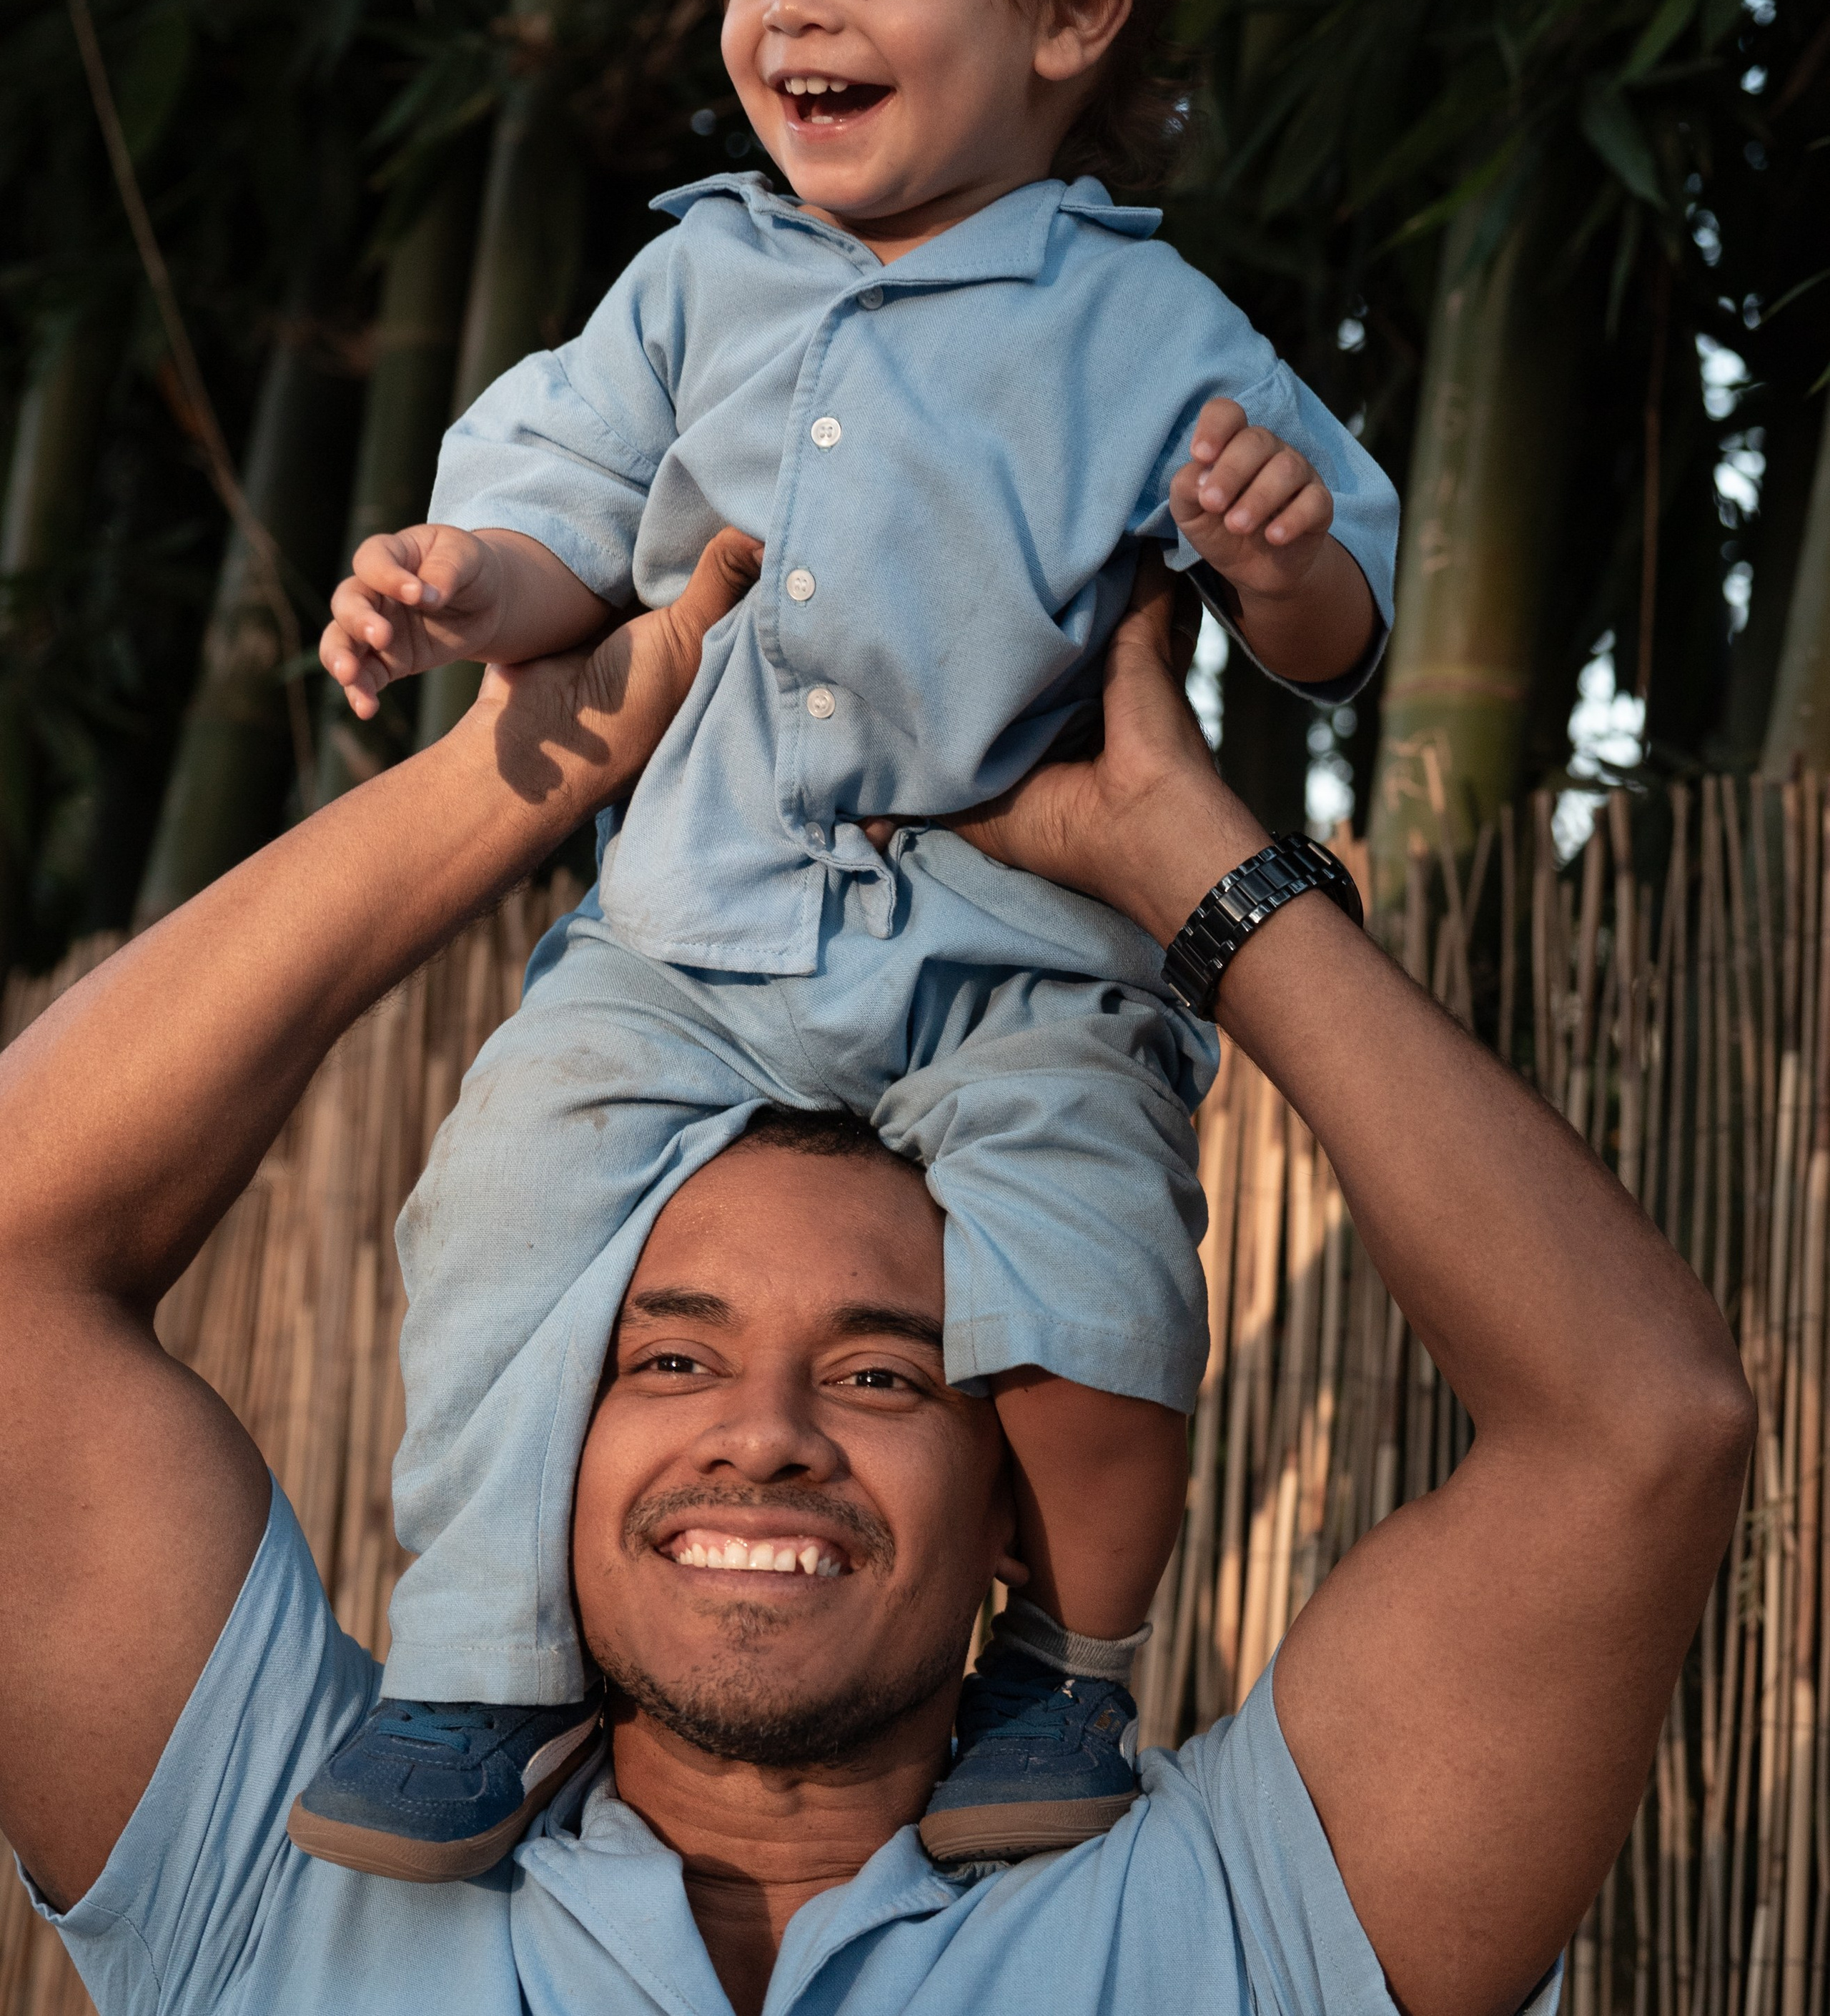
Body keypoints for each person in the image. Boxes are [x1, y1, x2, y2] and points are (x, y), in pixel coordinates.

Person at [0, 539, 1750, 2016]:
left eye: (884, 1375)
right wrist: (524, 765)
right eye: (669, 1363)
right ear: (550, 1438)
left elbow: (1636, 1429)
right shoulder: (286, 1886)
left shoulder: (1233, 1928)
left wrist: (1184, 860)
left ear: (1008, 1499)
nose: (763, 1436)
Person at [308, 0, 1400, 1877]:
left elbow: (1339, 602)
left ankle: (1071, 1675)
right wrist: (458, 581)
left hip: (1020, 950)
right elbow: (568, 532)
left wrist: (1283, 569)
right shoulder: (697, 277)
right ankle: (480, 1666)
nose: (790, 7)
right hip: (687, 927)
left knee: (1098, 1290)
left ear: (1076, 13)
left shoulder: (1147, 326)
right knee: (496, 1200)